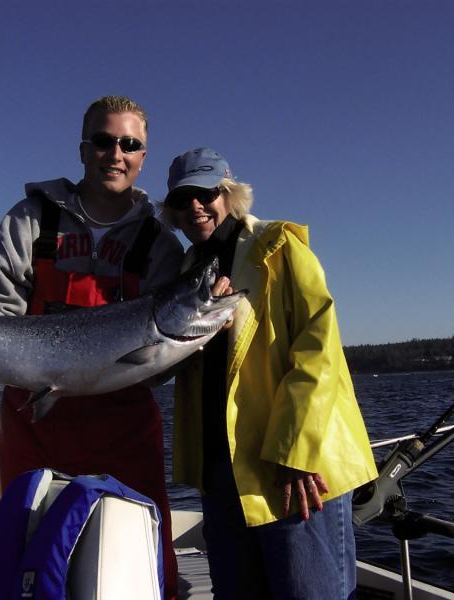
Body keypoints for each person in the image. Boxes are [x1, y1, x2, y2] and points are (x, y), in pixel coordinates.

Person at [0, 96, 184, 599]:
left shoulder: (161, 243)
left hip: (125, 432)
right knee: (29, 568)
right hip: (34, 424)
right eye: (104, 141)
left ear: (144, 156)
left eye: (130, 144)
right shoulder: (30, 220)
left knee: (135, 571)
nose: (116, 153)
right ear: (83, 149)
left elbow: (161, 358)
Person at [160, 148, 377, 600]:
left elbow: (319, 348)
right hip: (223, 474)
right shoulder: (185, 276)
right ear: (173, 215)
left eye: (205, 194)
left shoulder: (278, 246)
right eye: (182, 201)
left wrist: (295, 451)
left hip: (294, 469)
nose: (195, 207)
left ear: (229, 195)